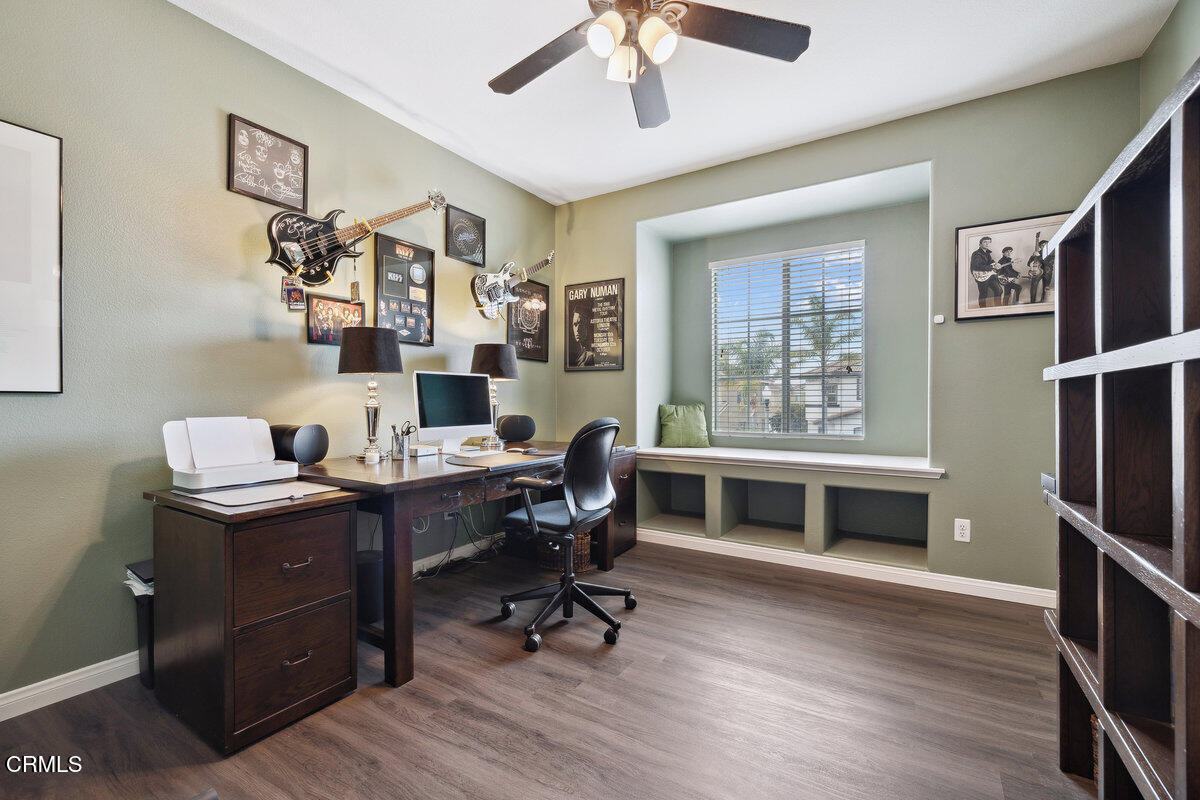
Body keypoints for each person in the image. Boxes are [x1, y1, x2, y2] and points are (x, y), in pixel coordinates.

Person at [969, 236, 1002, 307]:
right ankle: (982, 311)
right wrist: (991, 266)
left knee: (999, 290)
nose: (987, 244)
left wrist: (996, 264)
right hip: (981, 276)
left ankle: (998, 308)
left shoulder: (988, 253)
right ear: (980, 244)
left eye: (988, 242)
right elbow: (977, 266)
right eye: (985, 242)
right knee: (983, 294)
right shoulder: (976, 254)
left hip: (989, 275)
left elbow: (991, 262)